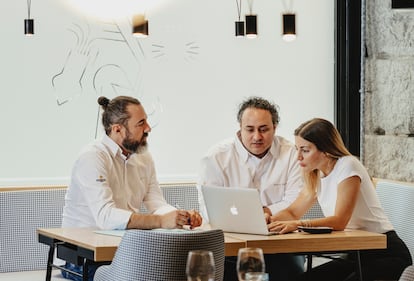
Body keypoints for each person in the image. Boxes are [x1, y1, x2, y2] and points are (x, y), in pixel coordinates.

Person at [61, 95, 202, 281]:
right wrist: (160, 222)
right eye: (141, 123)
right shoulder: (92, 158)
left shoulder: (144, 157)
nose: (148, 128)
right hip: (85, 259)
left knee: (187, 270)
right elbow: (106, 217)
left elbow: (156, 202)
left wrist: (179, 217)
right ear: (117, 129)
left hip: (127, 254)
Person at [268, 118, 412, 281]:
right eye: (297, 149)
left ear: (326, 150)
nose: (298, 157)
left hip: (385, 253)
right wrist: (268, 221)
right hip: (355, 254)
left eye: (305, 150)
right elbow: (293, 212)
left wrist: (297, 224)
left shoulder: (348, 165)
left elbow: (339, 221)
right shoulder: (316, 174)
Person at [198, 96, 305, 281]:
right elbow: (208, 207)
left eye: (264, 129)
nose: (257, 137)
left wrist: (266, 213)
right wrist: (253, 215)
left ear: (275, 128)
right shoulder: (216, 157)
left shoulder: (292, 154)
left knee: (290, 271)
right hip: (231, 243)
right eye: (250, 129)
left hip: (280, 244)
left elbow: (295, 200)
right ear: (240, 128)